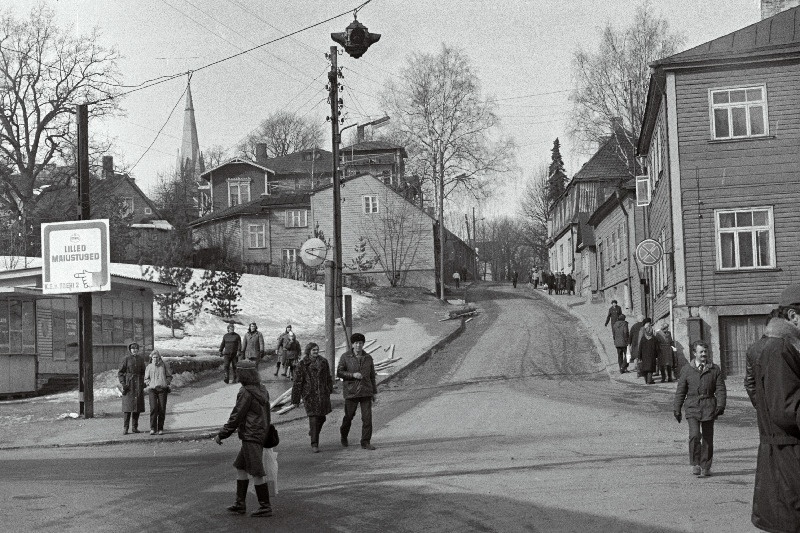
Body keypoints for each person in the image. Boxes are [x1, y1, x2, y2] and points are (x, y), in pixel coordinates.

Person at [744, 283, 800, 532]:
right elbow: (787, 408)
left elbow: (762, 395)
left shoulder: (776, 346)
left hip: (784, 454)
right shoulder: (779, 350)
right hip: (788, 457)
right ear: (793, 316)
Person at [214, 360, 273, 517]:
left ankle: (265, 506)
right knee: (241, 467)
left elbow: (236, 416)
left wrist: (222, 434)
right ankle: (240, 504)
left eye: (238, 371)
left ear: (243, 374)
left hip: (250, 435)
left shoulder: (245, 392)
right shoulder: (262, 389)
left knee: (256, 471)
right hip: (258, 433)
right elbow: (267, 413)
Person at [673, 340, 726, 478]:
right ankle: (696, 463)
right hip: (692, 406)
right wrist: (677, 408)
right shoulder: (686, 370)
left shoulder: (714, 369)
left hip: (709, 406)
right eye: (701, 352)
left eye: (705, 351)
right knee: (695, 435)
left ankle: (706, 466)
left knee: (708, 438)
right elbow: (681, 391)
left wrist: (720, 405)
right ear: (694, 353)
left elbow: (720, 389)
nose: (703, 354)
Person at [337, 332, 378, 450]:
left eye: (360, 343)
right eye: (356, 343)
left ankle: (365, 441)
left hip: (366, 391)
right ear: (352, 344)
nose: (358, 345)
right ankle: (343, 435)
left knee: (367, 418)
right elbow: (339, 373)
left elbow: (372, 376)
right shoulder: (345, 357)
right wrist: (353, 375)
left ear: (363, 344)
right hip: (351, 392)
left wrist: (374, 392)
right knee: (349, 417)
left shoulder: (368, 358)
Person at [291, 342, 333, 453]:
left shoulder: (323, 362)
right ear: (309, 351)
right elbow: (298, 382)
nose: (316, 352)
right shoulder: (302, 364)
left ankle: (313, 432)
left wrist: (329, 389)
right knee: (314, 418)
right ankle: (314, 443)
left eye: (317, 349)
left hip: (323, 394)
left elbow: (328, 377)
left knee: (322, 418)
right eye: (313, 350)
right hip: (310, 395)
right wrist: (295, 400)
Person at [118, 342, 147, 435]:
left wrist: (143, 382)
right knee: (127, 407)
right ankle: (125, 428)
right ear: (130, 349)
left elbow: (143, 372)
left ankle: (135, 427)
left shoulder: (140, 359)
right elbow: (120, 373)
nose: (134, 350)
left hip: (138, 384)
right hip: (129, 385)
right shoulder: (126, 359)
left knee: (137, 407)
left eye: (136, 348)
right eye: (133, 348)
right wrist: (123, 383)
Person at [144, 350, 172, 435]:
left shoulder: (164, 365)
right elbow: (146, 378)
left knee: (162, 409)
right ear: (151, 358)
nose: (155, 359)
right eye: (153, 357)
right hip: (152, 390)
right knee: (153, 408)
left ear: (159, 357)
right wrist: (149, 383)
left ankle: (160, 428)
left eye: (157, 357)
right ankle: (153, 428)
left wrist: (166, 382)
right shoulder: (149, 366)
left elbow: (169, 376)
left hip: (162, 390)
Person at [637, 318, 658, 384]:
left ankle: (647, 380)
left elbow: (640, 347)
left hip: (644, 355)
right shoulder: (654, 338)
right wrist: (657, 355)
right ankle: (649, 380)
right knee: (650, 368)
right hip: (651, 355)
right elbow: (657, 348)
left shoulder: (643, 338)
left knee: (645, 368)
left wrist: (639, 356)